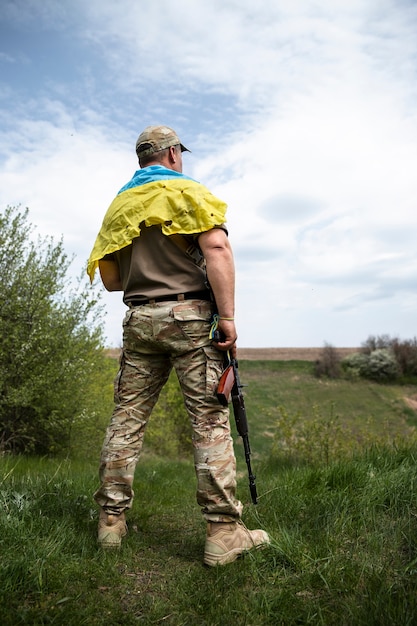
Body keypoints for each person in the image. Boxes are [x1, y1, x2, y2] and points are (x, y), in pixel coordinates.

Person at [87, 125, 269, 566]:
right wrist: (226, 318)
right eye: (178, 153)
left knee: (126, 420)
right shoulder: (187, 192)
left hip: (139, 319)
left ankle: (110, 523)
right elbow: (217, 247)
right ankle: (224, 532)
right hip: (189, 319)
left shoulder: (120, 204)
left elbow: (111, 279)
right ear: (172, 153)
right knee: (208, 422)